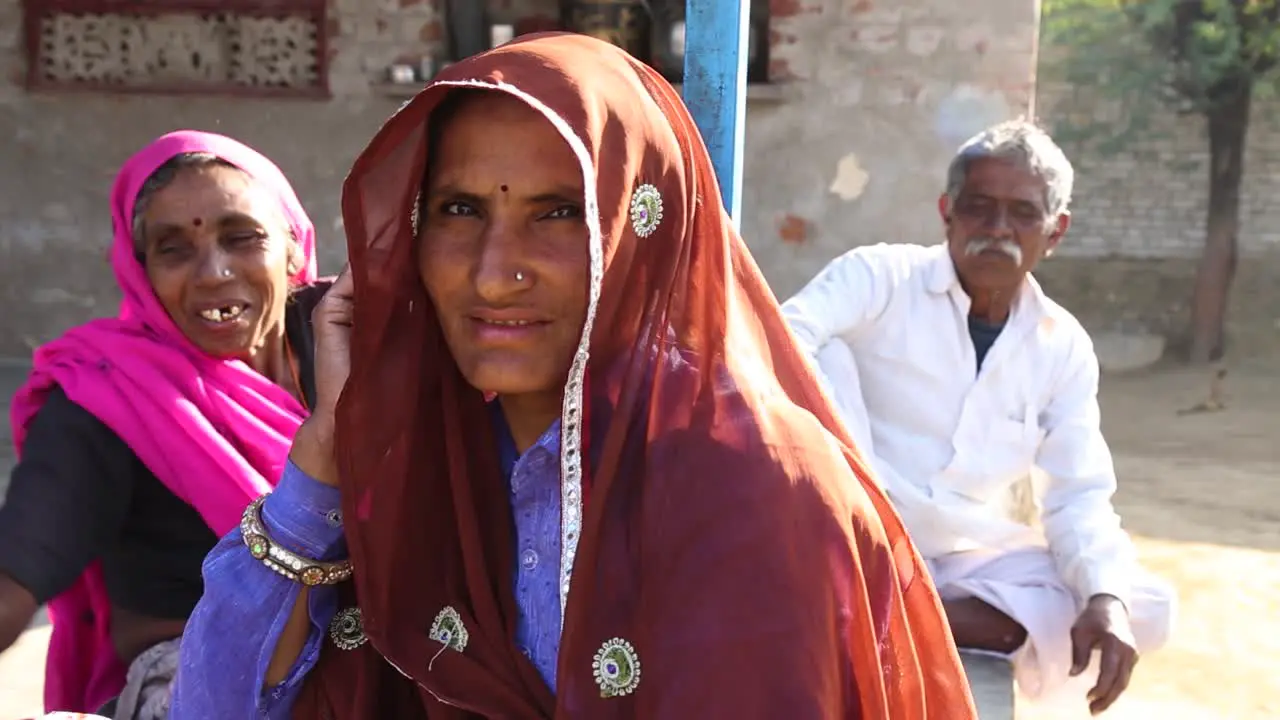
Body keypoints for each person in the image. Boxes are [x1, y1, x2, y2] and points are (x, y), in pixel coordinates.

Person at [170, 32, 978, 718]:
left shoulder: (757, 488)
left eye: (559, 213)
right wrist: (326, 456)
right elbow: (213, 704)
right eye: (460, 210)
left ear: (639, 232)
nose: (493, 276)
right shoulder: (424, 477)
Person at [781, 120, 1177, 715]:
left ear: (1056, 231)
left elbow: (1078, 495)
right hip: (854, 528)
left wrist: (1103, 596)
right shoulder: (878, 278)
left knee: (1138, 602)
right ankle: (893, 606)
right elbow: (774, 342)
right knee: (817, 353)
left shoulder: (1061, 345)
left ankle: (897, 616)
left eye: (1022, 213)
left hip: (968, 564)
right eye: (979, 208)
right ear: (947, 212)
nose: (997, 229)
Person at [0, 131, 326, 718]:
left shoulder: (355, 343)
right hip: (198, 677)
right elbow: (18, 574)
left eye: (242, 237)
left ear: (293, 246)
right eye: (173, 249)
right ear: (138, 269)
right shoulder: (106, 394)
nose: (212, 272)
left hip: (375, 653)